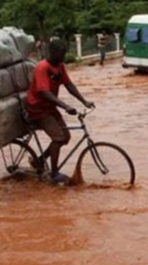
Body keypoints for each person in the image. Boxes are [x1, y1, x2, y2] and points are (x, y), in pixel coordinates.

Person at [25, 39, 95, 183]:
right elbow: (45, 92)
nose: (64, 56)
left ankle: (39, 160)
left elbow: (69, 85)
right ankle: (54, 173)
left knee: (66, 137)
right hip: (37, 108)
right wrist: (65, 106)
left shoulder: (60, 66)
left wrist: (84, 101)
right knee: (58, 138)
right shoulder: (42, 67)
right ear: (54, 53)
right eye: (62, 54)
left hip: (50, 107)